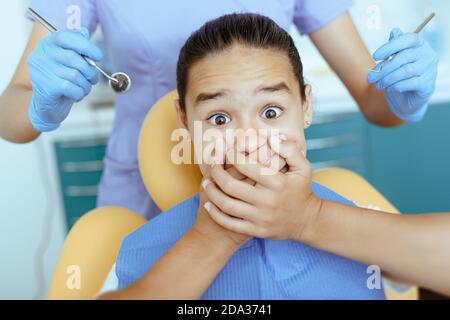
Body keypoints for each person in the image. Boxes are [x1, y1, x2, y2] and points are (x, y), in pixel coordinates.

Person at [0, 0, 439, 219]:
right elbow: (11, 113)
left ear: (305, 105)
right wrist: (39, 103)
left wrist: (402, 93)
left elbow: (375, 101)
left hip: (269, 184)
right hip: (141, 191)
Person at [97, 13, 388, 300]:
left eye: (270, 112)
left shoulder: (372, 234)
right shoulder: (136, 258)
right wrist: (213, 238)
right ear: (185, 123)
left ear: (305, 106)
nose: (249, 142)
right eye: (220, 119)